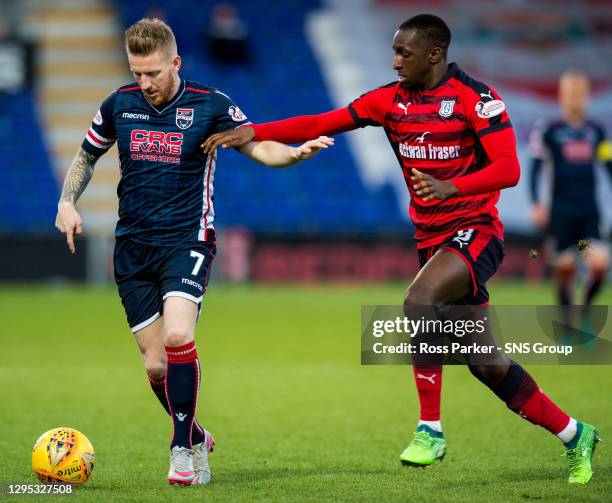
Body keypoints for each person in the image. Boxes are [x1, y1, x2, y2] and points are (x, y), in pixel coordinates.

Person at [202, 14, 599, 484]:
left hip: (476, 231)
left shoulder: (478, 100)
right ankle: (576, 434)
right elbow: (318, 121)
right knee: (487, 364)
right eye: (392, 52)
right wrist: (256, 132)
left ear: (434, 54)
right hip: (431, 241)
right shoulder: (388, 103)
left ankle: (430, 428)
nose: (394, 62)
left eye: (403, 53)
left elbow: (509, 169)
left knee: (418, 301)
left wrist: (454, 188)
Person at [54, 17, 333, 486]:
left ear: (175, 62)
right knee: (156, 363)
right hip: (132, 248)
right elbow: (86, 155)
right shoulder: (119, 105)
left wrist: (294, 154)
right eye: (137, 73)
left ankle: (182, 449)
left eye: (154, 73)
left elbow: (259, 147)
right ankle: (198, 432)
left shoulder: (211, 105)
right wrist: (66, 202)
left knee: (179, 337)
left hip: (188, 240)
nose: (145, 83)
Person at [529, 70, 611, 330]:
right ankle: (567, 323)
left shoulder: (596, 132)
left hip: (588, 215)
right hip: (561, 215)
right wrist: (536, 203)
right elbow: (535, 169)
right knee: (564, 269)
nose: (575, 98)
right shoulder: (549, 130)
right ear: (562, 97)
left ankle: (585, 309)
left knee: (598, 264)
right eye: (570, 93)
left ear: (586, 97)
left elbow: (609, 167)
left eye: (580, 93)